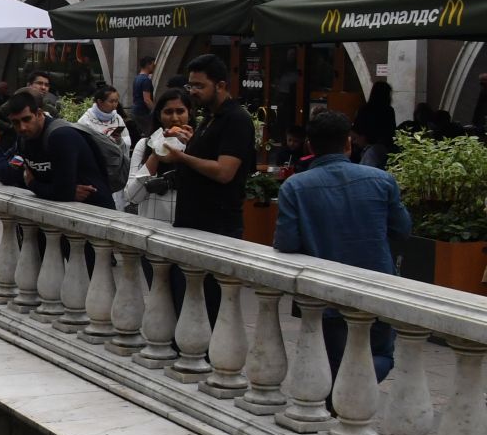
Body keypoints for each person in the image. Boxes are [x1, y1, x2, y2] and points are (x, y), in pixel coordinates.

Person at [274, 109, 411, 381]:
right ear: (348, 143)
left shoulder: (294, 187)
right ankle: (355, 393)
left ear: (310, 146)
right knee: (381, 355)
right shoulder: (382, 180)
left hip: (326, 294)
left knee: (333, 365)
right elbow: (403, 229)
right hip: (378, 287)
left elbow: (286, 242)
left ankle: (342, 404)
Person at [160, 53, 255, 238]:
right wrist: (190, 141)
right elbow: (209, 154)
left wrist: (182, 157)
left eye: (199, 86)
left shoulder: (236, 119)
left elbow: (223, 172)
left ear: (220, 86)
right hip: (194, 221)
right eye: (191, 85)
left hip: (216, 227)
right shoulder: (211, 116)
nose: (192, 91)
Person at [0, 89, 115, 207]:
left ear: (39, 114)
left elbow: (63, 191)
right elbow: (9, 174)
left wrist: (33, 184)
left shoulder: (61, 136)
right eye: (15, 122)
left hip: (93, 214)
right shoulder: (24, 140)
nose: (22, 127)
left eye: (26, 119)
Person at [124, 87, 191, 221]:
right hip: (152, 226)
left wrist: (191, 148)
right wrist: (156, 154)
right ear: (159, 116)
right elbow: (132, 196)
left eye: (180, 111)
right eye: (168, 112)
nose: (175, 118)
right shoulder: (144, 145)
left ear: (189, 113)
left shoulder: (197, 144)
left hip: (188, 229)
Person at [77, 85, 129, 150]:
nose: (115, 105)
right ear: (100, 102)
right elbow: (81, 145)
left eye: (116, 101)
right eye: (111, 101)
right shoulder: (85, 121)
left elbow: (127, 141)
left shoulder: (118, 118)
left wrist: (119, 140)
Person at [132, 56, 157, 120]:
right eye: (153, 65)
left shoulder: (137, 78)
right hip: (143, 113)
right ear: (148, 65)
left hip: (136, 111)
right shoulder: (146, 80)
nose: (154, 67)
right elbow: (147, 100)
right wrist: (156, 111)